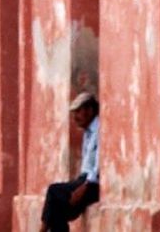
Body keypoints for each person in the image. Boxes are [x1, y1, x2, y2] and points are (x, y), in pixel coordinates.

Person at [41, 91, 101, 232]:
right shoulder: (87, 132)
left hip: (92, 184)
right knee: (57, 209)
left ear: (90, 110)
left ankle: (42, 229)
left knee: (53, 191)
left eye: (78, 112)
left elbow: (98, 167)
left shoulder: (99, 130)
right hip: (84, 180)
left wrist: (83, 187)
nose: (75, 117)